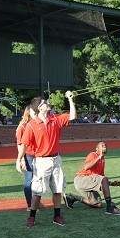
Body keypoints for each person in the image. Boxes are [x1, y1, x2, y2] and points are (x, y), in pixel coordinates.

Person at [16, 91, 76, 227]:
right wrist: (19, 159)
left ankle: (57, 216)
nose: (47, 103)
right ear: (40, 108)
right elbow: (24, 144)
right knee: (38, 191)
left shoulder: (55, 119)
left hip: (56, 159)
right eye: (44, 102)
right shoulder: (31, 125)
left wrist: (70, 99)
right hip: (41, 161)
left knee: (57, 189)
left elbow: (72, 116)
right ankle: (32, 216)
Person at [63, 142, 120, 216]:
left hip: (88, 183)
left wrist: (111, 183)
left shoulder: (102, 161)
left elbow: (102, 179)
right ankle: (110, 207)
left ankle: (72, 197)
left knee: (97, 204)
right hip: (81, 179)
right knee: (104, 179)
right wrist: (99, 157)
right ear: (97, 149)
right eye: (102, 146)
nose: (104, 147)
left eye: (105, 146)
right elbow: (86, 167)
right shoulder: (93, 155)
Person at [16, 106, 36, 211]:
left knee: (38, 179)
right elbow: (20, 145)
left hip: (38, 155)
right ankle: (30, 205)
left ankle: (35, 202)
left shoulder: (36, 124)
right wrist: (22, 160)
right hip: (28, 155)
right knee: (29, 180)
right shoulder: (23, 126)